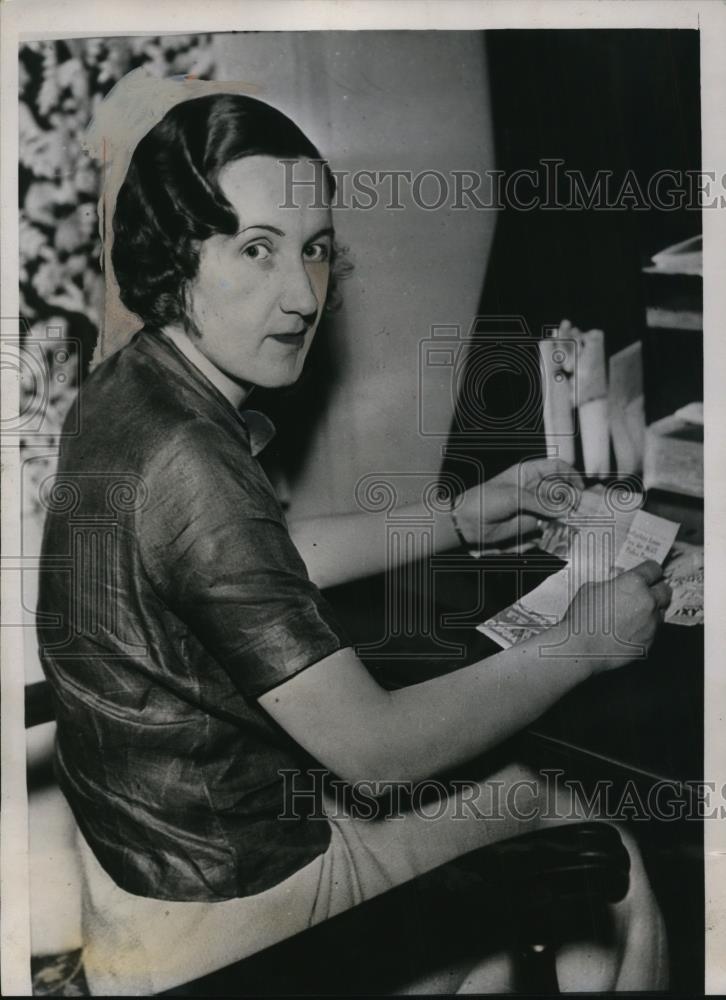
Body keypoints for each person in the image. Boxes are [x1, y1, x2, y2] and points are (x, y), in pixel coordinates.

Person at [37, 93, 670, 994]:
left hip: (142, 883)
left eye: (316, 248)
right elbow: (377, 754)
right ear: (180, 254)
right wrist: (586, 641)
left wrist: (455, 517)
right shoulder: (191, 459)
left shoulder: (130, 389)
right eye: (256, 249)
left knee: (486, 924)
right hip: (233, 918)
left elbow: (251, 558)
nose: (302, 295)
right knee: (595, 840)